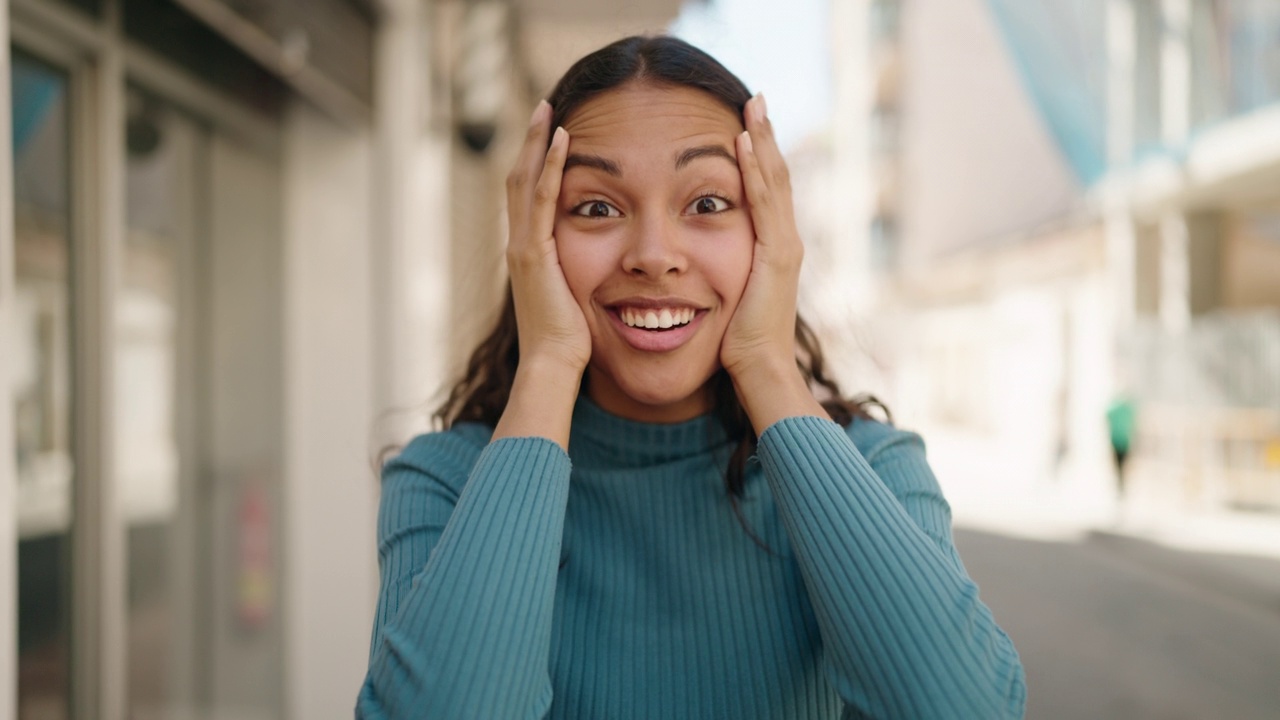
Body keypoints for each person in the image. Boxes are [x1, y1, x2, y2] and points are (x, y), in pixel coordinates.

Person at [357, 36, 1025, 719]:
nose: (654, 255)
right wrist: (550, 361)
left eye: (707, 204)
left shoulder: (874, 468)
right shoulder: (445, 481)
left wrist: (766, 360)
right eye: (595, 208)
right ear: (535, 242)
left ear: (770, 233)